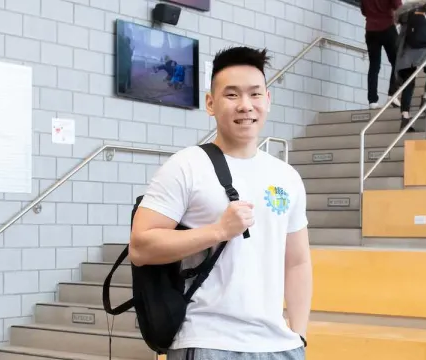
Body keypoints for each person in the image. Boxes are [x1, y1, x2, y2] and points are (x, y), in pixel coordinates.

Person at [129, 46, 313, 360]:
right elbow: (141, 247)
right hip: (208, 342)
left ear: (267, 100)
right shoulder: (186, 165)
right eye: (232, 95)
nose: (245, 106)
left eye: (255, 94)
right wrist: (218, 231)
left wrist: (299, 334)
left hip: (279, 347)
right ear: (211, 104)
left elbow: (297, 261)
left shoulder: (287, 176)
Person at [394, 0, 426, 132]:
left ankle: (405, 117)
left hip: (407, 51)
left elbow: (401, 36)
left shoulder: (405, 11)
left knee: (408, 83)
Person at [363, 0, 403, 110]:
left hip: (370, 30)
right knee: (397, 61)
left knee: (374, 66)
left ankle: (372, 101)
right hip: (387, 28)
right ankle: (392, 93)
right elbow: (400, 8)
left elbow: (363, 11)